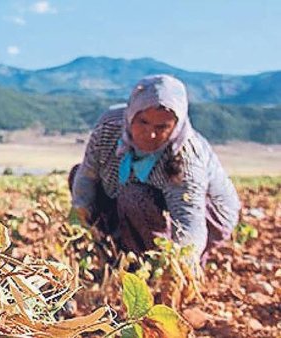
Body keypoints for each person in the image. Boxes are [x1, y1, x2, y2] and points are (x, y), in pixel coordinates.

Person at [69, 74, 240, 265]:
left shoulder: (185, 159)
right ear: (131, 114)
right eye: (143, 122)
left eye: (162, 127)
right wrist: (80, 224)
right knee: (78, 175)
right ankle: (116, 252)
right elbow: (87, 176)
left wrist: (179, 265)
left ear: (176, 126)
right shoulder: (109, 128)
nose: (150, 134)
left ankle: (148, 264)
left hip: (207, 215)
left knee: (134, 196)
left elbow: (189, 221)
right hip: (141, 199)